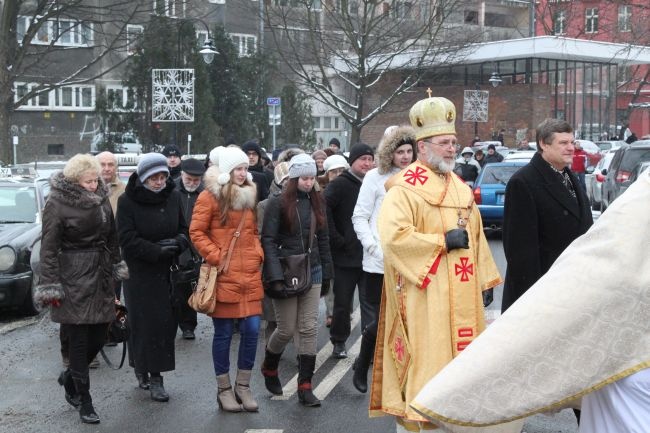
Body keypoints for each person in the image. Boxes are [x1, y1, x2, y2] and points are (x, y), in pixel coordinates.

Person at [409, 169, 650, 433]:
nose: (570, 148)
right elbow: (516, 241)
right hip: (437, 283)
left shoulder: (462, 188)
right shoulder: (521, 181)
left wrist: (484, 278)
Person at [368, 94, 501, 432]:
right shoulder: (404, 189)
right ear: (423, 147)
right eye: (444, 143)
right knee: (429, 363)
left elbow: (477, 234)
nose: (452, 149)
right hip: (427, 293)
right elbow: (394, 237)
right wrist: (442, 242)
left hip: (464, 291)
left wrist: (484, 281)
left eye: (454, 143)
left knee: (461, 370)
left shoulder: (458, 186)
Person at [36, 154, 126, 424]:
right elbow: (49, 247)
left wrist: (116, 265)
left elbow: (112, 236)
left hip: (99, 274)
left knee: (100, 335)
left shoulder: (100, 195)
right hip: (72, 275)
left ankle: (69, 378)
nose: (92, 184)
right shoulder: (57, 202)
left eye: (94, 179)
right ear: (75, 180)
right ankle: (84, 400)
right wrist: (50, 285)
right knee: (78, 341)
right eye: (87, 181)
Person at [190, 147, 264, 413]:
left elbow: (254, 231)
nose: (243, 173)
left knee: (253, 330)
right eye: (238, 169)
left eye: (245, 168)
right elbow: (196, 232)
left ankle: (243, 386)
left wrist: (257, 253)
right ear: (226, 172)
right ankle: (223, 389)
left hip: (250, 275)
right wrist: (218, 257)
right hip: (224, 276)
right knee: (222, 334)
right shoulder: (209, 197)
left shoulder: (251, 195)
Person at [260, 154, 333, 407]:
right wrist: (275, 277)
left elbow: (323, 239)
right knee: (285, 329)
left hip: (312, 270)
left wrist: (327, 274)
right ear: (293, 178)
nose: (308, 182)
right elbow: (267, 241)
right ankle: (270, 366)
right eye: (304, 178)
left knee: (309, 328)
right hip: (286, 272)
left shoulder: (317, 202)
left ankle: (305, 386)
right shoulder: (276, 204)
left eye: (312, 178)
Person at [117, 152, 189, 402]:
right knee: (145, 324)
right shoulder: (127, 201)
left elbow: (183, 229)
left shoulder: (174, 196)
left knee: (165, 324)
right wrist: (155, 250)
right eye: (154, 178)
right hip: (140, 272)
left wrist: (178, 243)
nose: (159, 182)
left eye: (162, 176)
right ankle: (152, 376)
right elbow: (126, 238)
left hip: (167, 271)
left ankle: (147, 367)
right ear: (144, 177)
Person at [501, 118, 593, 313]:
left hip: (574, 287)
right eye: (563, 143)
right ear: (543, 144)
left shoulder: (570, 177)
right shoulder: (523, 182)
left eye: (571, 142)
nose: (571, 148)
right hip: (542, 293)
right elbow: (520, 253)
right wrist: (535, 300)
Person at [351, 125, 415, 393]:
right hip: (378, 263)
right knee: (379, 321)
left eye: (409, 151)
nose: (405, 156)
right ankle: (364, 360)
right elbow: (360, 217)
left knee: (409, 319)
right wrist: (374, 247)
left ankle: (401, 373)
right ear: (390, 152)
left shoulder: (418, 177)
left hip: (410, 261)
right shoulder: (375, 178)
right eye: (400, 151)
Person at [325, 143, 374, 359]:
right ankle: (339, 341)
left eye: (369, 159)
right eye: (362, 159)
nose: (367, 163)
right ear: (352, 162)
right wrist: (337, 239)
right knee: (342, 304)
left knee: (369, 305)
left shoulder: (374, 183)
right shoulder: (340, 185)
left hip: (370, 255)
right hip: (345, 257)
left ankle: (369, 347)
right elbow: (323, 210)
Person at [173, 158, 206, 340]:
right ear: (182, 175)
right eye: (189, 179)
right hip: (174, 242)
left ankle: (188, 325)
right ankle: (170, 323)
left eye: (196, 180)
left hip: (195, 247)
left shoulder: (205, 193)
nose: (192, 184)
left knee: (189, 286)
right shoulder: (172, 190)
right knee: (172, 287)